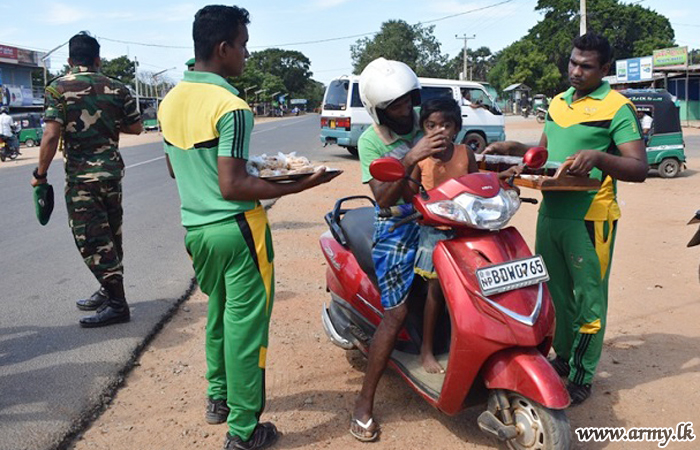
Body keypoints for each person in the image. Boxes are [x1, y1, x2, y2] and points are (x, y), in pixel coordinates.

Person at [157, 6, 341, 450]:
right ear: (222, 49)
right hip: (238, 229)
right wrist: (303, 183)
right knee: (247, 329)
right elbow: (234, 184)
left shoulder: (170, 101)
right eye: (241, 45)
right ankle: (244, 430)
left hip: (196, 230)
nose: (245, 54)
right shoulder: (232, 106)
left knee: (218, 313)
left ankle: (218, 397)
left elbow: (172, 168)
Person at [484, 31, 647, 405]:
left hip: (591, 218)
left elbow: (638, 167)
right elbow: (545, 155)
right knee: (555, 294)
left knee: (589, 298)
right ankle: (562, 357)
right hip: (552, 212)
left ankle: (582, 375)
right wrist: (516, 150)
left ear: (605, 69)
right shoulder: (558, 103)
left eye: (586, 66)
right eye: (573, 62)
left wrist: (600, 157)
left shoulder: (618, 107)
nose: (575, 71)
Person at [351, 57, 451, 442]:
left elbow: (460, 160)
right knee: (396, 313)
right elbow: (381, 197)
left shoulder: (428, 123)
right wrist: (410, 156)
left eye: (408, 100)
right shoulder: (371, 141)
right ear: (379, 110)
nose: (405, 110)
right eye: (396, 105)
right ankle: (363, 404)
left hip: (439, 216)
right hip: (395, 224)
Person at [30, 32, 143, 328]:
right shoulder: (118, 88)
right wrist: (108, 121)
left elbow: (51, 134)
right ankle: (109, 291)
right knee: (111, 234)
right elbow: (137, 127)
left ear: (69, 61)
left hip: (82, 179)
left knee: (92, 239)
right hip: (111, 174)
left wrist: (39, 175)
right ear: (98, 59)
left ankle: (118, 305)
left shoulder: (58, 89)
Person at [410, 97, 518, 374]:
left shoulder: (464, 153)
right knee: (435, 290)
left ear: (456, 128)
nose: (439, 131)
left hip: (467, 228)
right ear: (423, 128)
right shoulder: (419, 158)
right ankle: (426, 350)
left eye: (446, 125)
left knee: (481, 281)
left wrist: (500, 178)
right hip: (434, 231)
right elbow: (408, 194)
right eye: (431, 125)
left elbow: (476, 182)